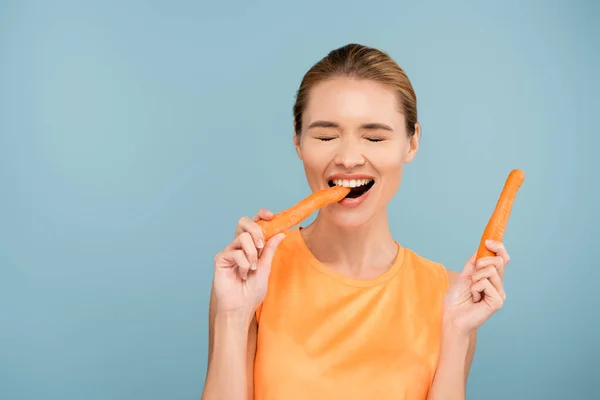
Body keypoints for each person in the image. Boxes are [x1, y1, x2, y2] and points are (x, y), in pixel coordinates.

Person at [201, 43, 511, 400]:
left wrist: (456, 333)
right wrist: (232, 315)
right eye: (326, 136)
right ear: (298, 143)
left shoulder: (450, 296)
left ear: (411, 143)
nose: (348, 158)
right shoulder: (252, 276)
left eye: (375, 137)